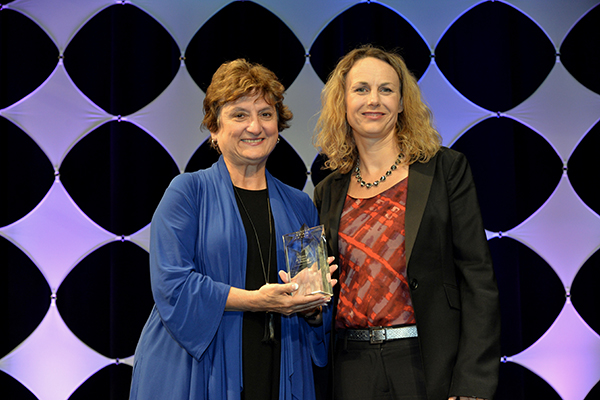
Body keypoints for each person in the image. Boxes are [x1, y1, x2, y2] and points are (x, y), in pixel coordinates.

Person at [129, 59, 336, 400]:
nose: (255, 126)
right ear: (214, 128)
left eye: (266, 114)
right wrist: (257, 301)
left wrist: (312, 306)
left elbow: (314, 306)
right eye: (239, 115)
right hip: (194, 369)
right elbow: (173, 284)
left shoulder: (301, 205)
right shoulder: (186, 192)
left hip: (278, 365)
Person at [313, 45, 501, 400]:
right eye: (361, 89)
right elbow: (325, 290)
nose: (374, 100)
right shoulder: (327, 191)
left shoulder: (446, 171)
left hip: (428, 364)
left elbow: (478, 280)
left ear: (402, 103)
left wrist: (472, 382)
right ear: (343, 102)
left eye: (386, 89)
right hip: (351, 367)